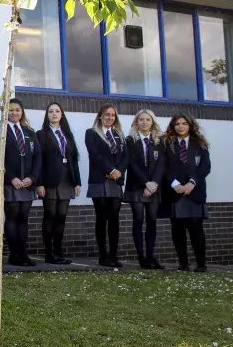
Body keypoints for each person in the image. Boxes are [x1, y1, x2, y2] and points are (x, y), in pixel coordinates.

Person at [0, 99, 40, 267]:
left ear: (22, 112)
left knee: (23, 218)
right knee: (12, 217)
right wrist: (11, 177)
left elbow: (38, 157)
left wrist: (32, 178)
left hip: (27, 183)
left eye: (17, 110)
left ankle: (23, 254)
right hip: (10, 182)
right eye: (10, 110)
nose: (14, 113)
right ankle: (14, 254)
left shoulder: (30, 132)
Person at [160, 112, 211, 272]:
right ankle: (183, 264)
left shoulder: (200, 143)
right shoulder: (167, 143)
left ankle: (201, 264)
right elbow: (164, 166)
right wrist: (174, 183)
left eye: (184, 123)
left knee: (196, 228)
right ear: (173, 126)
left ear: (190, 125)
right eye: (177, 124)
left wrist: (192, 183)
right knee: (177, 228)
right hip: (175, 192)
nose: (180, 126)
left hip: (194, 192)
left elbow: (205, 167)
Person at [35, 101, 80, 265]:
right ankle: (49, 253)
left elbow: (74, 159)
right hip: (49, 181)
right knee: (50, 216)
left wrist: (77, 182)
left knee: (62, 217)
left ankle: (58, 251)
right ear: (47, 115)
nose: (54, 114)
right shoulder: (41, 134)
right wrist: (39, 183)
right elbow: (38, 161)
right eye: (51, 111)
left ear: (62, 114)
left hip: (66, 180)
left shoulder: (67, 134)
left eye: (57, 111)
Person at [85, 104, 128, 268]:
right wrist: (110, 170)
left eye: (113, 115)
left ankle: (114, 256)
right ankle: (103, 256)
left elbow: (126, 157)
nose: (110, 117)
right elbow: (94, 155)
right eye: (107, 115)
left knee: (114, 220)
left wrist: (119, 172)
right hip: (99, 181)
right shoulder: (92, 133)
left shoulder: (119, 135)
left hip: (115, 182)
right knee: (102, 219)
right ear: (100, 116)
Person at [124, 109, 165, 269]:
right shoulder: (130, 140)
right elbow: (132, 164)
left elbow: (162, 164)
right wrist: (145, 183)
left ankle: (151, 256)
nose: (144, 122)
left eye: (147, 119)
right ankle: (141, 258)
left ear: (152, 122)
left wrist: (154, 183)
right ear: (136, 122)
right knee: (138, 220)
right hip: (136, 186)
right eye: (141, 119)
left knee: (152, 221)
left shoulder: (159, 141)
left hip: (154, 188)